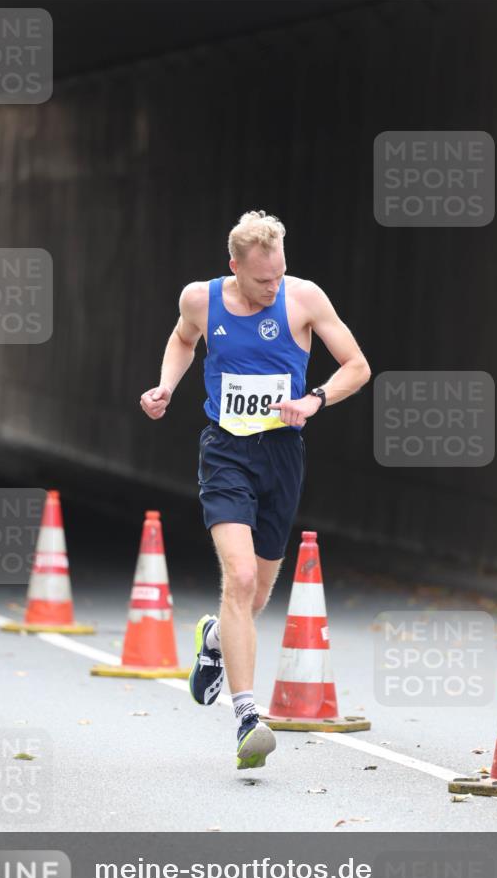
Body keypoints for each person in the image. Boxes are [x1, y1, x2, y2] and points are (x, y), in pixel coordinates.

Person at [140, 211, 370, 770]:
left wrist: (313, 399)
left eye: (280, 274)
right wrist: (166, 385)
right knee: (239, 577)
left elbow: (358, 366)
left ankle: (215, 638)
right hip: (225, 451)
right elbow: (181, 340)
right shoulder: (201, 300)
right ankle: (247, 716)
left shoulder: (303, 299)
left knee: (257, 593)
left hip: (282, 455)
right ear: (234, 268)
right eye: (263, 278)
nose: (274, 286)